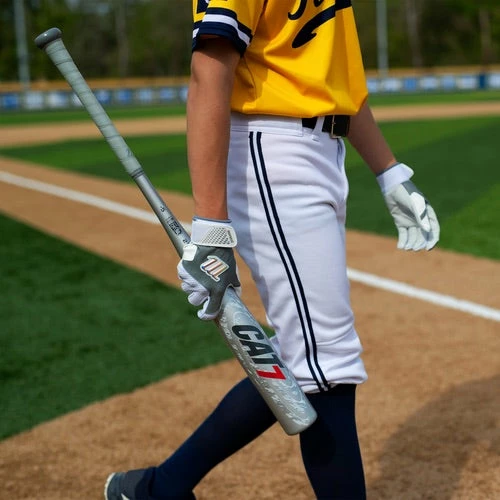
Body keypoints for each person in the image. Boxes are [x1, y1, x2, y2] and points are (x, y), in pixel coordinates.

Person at [104, 1, 440, 498]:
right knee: (327, 365)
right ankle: (161, 488)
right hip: (272, 149)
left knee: (304, 356)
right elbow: (209, 70)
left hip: (321, 151)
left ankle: (161, 488)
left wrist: (388, 170)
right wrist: (211, 226)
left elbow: (336, 81)